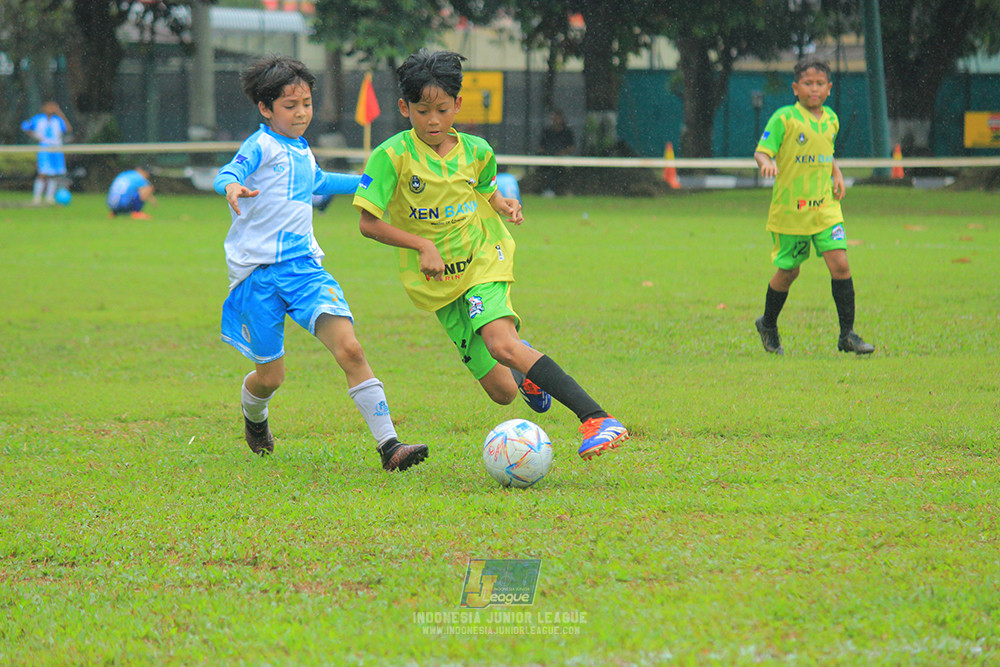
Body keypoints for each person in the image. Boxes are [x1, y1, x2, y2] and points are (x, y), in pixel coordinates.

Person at [353, 49, 627, 460]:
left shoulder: (478, 150)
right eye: (422, 110)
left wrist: (502, 204)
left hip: (484, 256)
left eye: (443, 110)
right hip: (440, 282)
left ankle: (597, 418)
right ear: (403, 107)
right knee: (501, 391)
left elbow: (482, 188)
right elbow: (368, 223)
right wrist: (423, 244)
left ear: (457, 105)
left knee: (500, 343)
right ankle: (526, 373)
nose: (433, 121)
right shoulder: (391, 156)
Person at [214, 54, 427, 472]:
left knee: (349, 348)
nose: (301, 113)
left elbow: (319, 182)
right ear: (265, 108)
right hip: (258, 278)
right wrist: (233, 186)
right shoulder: (261, 145)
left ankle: (390, 447)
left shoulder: (302, 150)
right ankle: (254, 418)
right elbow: (229, 171)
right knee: (270, 378)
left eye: (307, 103)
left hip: (304, 270)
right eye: (290, 105)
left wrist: (371, 182)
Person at [753, 59, 875, 356]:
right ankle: (768, 323)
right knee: (788, 272)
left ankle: (847, 335)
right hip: (791, 212)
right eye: (808, 84)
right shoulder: (785, 118)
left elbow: (827, 152)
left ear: (829, 88)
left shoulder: (831, 119)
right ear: (796, 88)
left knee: (841, 264)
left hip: (825, 208)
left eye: (820, 83)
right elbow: (761, 151)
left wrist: (837, 174)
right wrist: (767, 163)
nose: (814, 89)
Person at [20, 101, 72, 205]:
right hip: (44, 148)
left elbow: (68, 129)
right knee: (43, 173)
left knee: (53, 174)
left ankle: (49, 197)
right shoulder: (38, 119)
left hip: (56, 149)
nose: (51, 109)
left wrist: (61, 114)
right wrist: (35, 135)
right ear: (44, 108)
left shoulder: (58, 120)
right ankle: (37, 197)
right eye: (49, 107)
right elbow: (24, 126)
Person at [538, 109, 575, 196]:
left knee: (561, 168)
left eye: (557, 117)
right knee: (548, 168)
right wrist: (549, 153)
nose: (555, 120)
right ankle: (548, 189)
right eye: (553, 118)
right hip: (548, 158)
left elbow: (571, 148)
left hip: (563, 158)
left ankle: (565, 190)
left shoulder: (567, 132)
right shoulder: (547, 132)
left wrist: (561, 153)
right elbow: (541, 147)